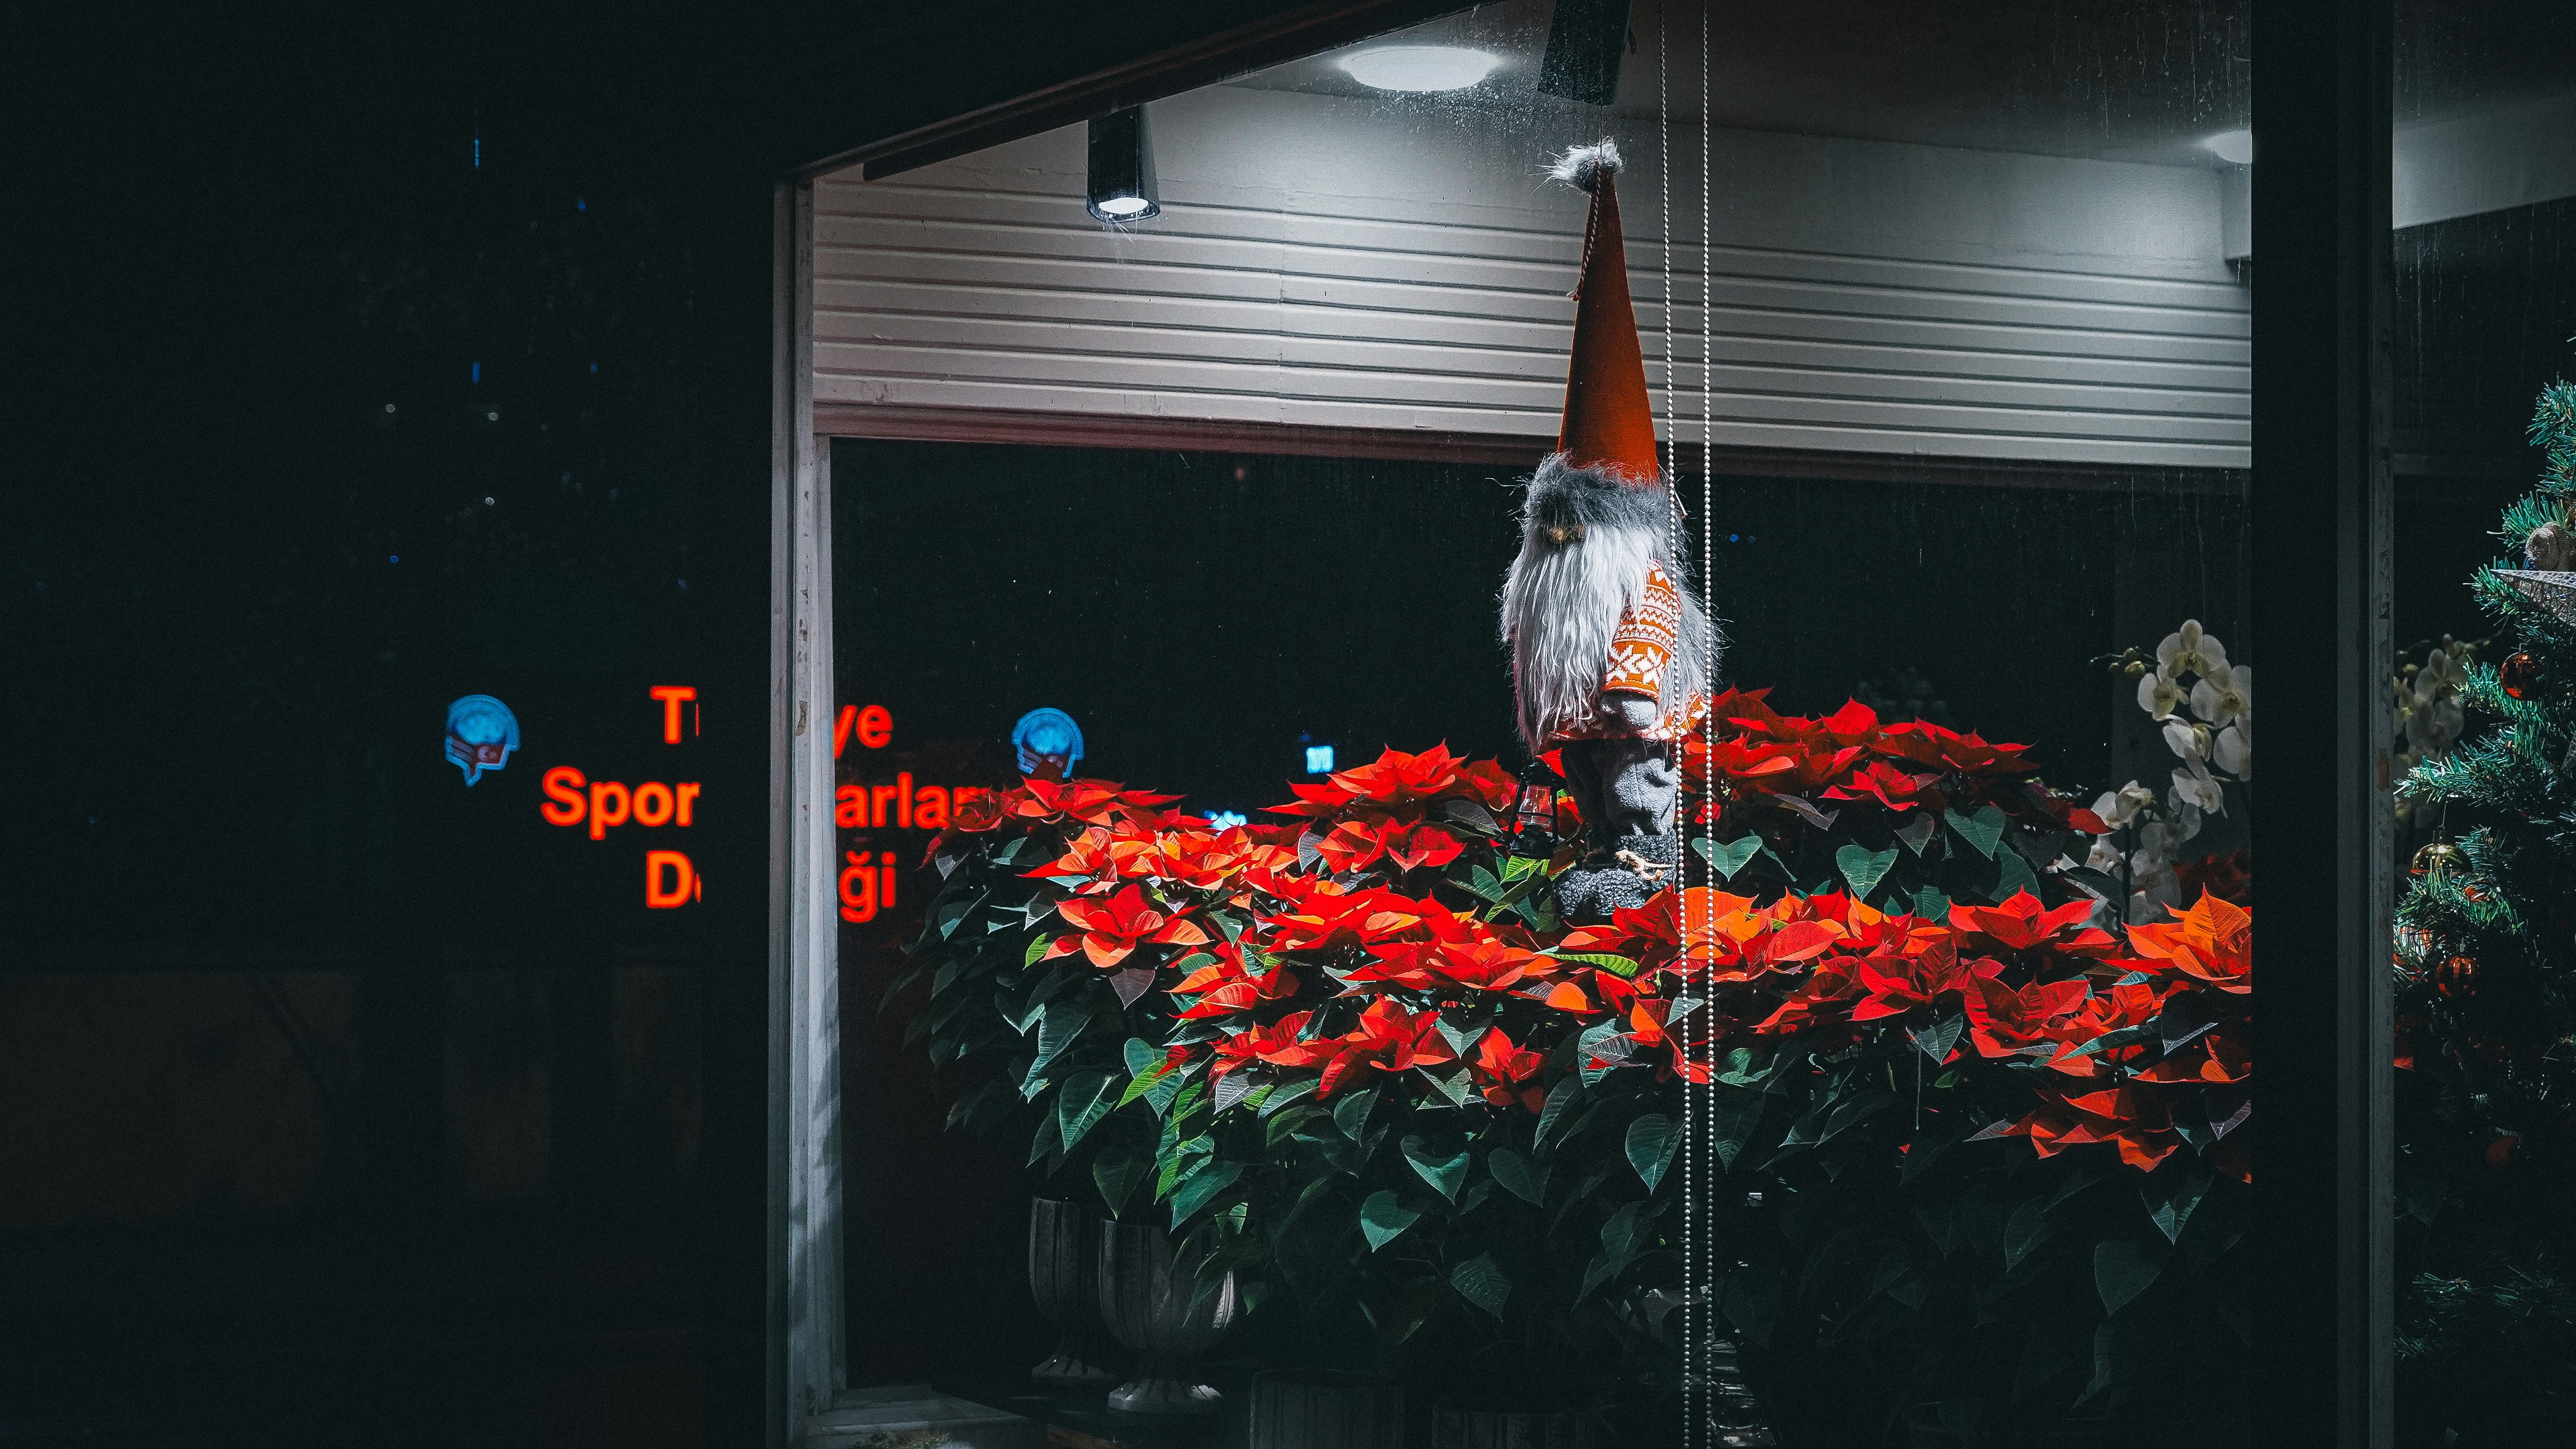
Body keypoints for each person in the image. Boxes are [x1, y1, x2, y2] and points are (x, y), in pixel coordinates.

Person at [1499, 141, 1718, 920]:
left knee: (1635, 778)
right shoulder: (1550, 593)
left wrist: (1628, 689)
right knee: (1593, 781)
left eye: (1571, 528)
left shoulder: (1641, 584)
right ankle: (1602, 844)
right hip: (1580, 725)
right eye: (1550, 530)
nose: (1557, 543)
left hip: (1635, 719)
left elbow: (1645, 646)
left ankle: (1640, 850)